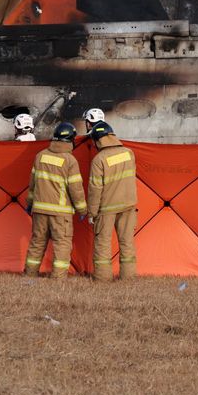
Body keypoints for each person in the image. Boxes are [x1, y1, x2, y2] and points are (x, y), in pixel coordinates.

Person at [24, 122, 86, 278]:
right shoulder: (70, 161)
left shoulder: (40, 156)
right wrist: (82, 210)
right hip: (60, 213)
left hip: (39, 210)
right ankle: (58, 280)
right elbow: (76, 189)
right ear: (71, 140)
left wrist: (30, 204)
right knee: (62, 245)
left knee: (37, 243)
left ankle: (30, 276)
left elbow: (32, 184)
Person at [87, 120, 138, 281]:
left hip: (107, 208)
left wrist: (92, 213)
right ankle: (128, 277)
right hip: (129, 206)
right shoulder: (129, 153)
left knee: (103, 243)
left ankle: (103, 278)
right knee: (127, 242)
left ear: (97, 140)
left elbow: (95, 189)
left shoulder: (99, 159)